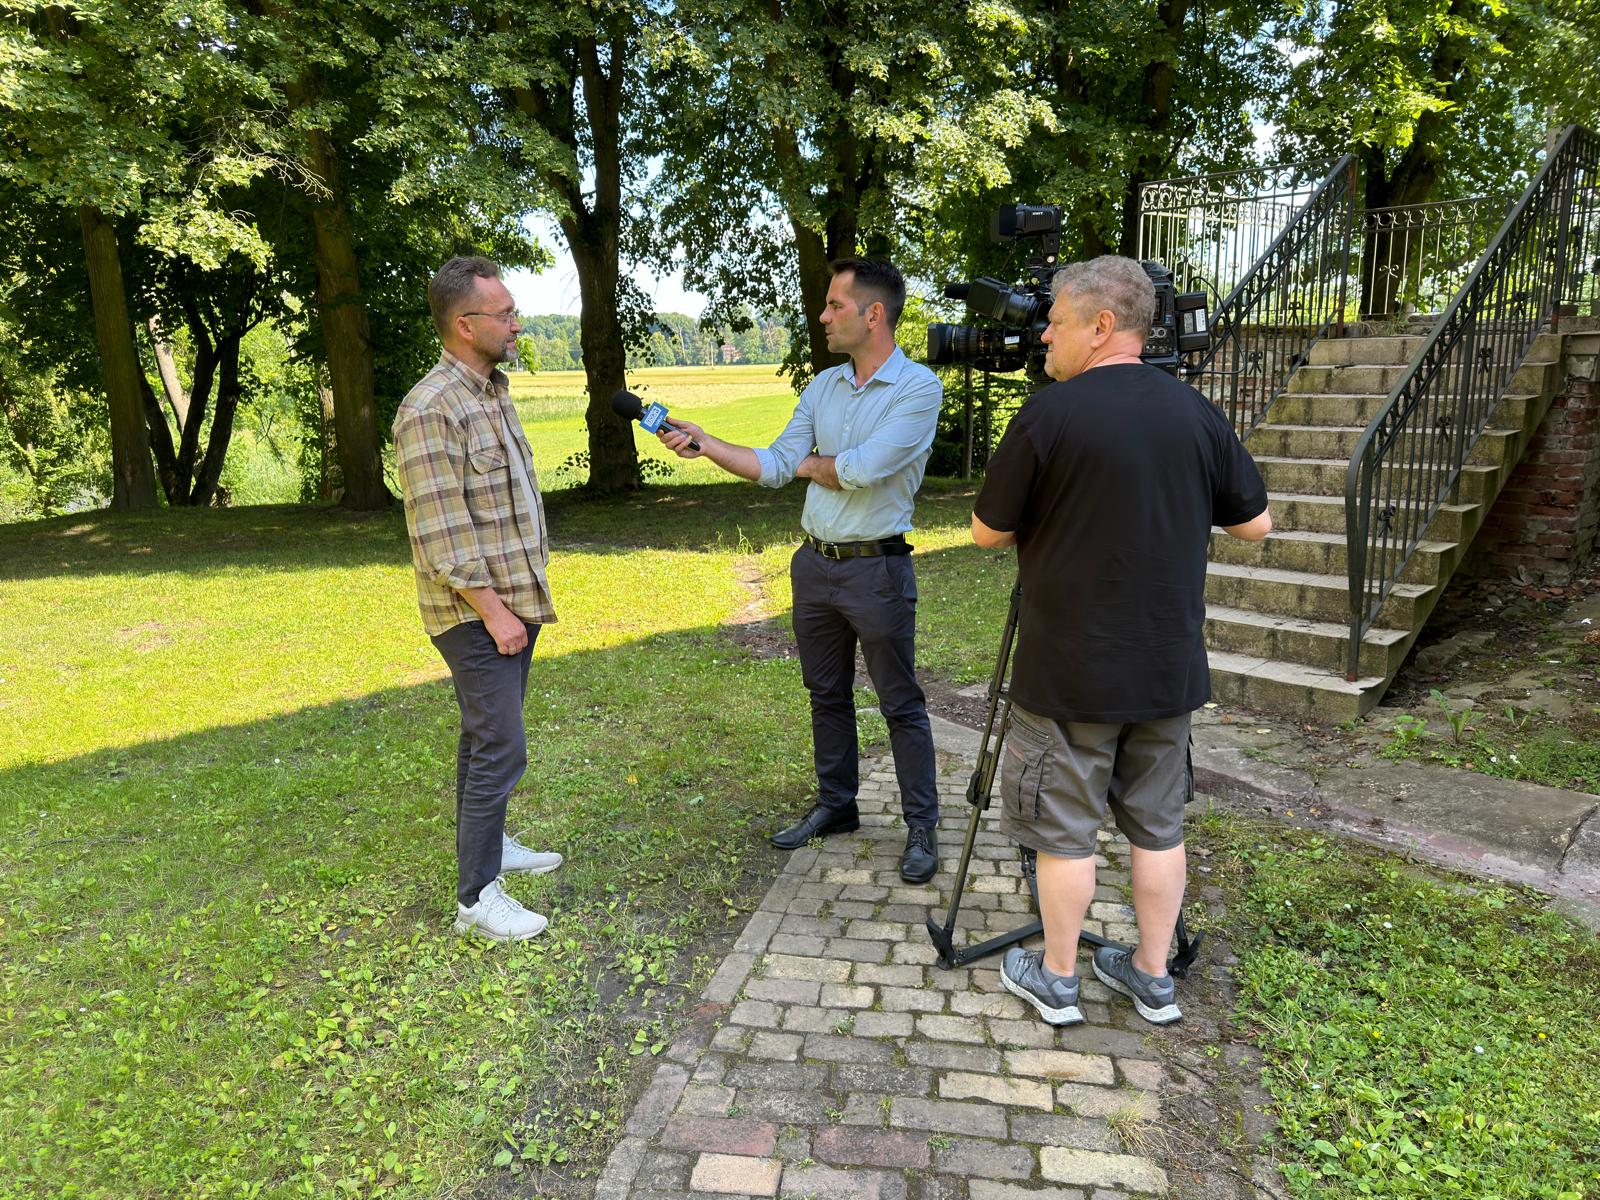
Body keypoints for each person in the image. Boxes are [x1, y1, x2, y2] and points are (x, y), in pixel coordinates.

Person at [970, 255, 1271, 1026]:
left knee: (1065, 833)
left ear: (1102, 325)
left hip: (1068, 672)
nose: (1044, 335)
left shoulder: (1048, 415)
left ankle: (1058, 978)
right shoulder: (1196, 412)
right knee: (1158, 828)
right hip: (1167, 669)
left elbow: (986, 533)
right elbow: (1255, 524)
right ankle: (1152, 976)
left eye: (1056, 321)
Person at [657, 258, 945, 884]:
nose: (823, 316)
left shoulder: (918, 388)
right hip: (815, 566)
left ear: (874, 314)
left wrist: (811, 465)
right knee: (826, 693)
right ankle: (838, 805)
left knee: (900, 702)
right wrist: (707, 444)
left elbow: (861, 469)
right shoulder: (822, 387)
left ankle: (922, 825)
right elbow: (777, 463)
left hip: (877, 568)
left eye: (835, 305)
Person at [394, 256, 562, 943]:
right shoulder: (431, 408)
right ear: (465, 325)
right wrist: (493, 613)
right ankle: (476, 898)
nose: (517, 325)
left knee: (483, 733)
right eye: (506, 314)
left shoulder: (490, 393)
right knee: (501, 744)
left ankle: (491, 846)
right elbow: (441, 531)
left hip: (513, 600)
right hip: (476, 613)